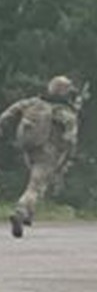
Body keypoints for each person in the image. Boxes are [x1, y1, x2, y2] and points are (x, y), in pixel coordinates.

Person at [3, 75, 83, 239]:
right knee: (35, 185)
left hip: (29, 148)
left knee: (37, 181)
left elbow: (8, 114)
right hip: (48, 153)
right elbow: (70, 138)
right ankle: (21, 211)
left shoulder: (34, 102)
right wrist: (69, 155)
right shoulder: (65, 112)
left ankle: (29, 214)